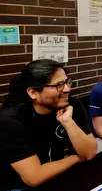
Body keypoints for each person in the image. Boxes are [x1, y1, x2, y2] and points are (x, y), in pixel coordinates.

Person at [0, 60, 97, 190]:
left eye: (67, 82)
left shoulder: (72, 105)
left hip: (56, 173)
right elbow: (34, 177)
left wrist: (69, 123)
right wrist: (75, 158)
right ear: (33, 92)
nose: (67, 89)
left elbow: (89, 153)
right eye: (59, 85)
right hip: (19, 185)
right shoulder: (12, 119)